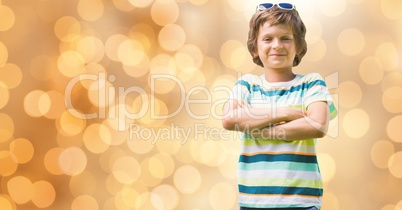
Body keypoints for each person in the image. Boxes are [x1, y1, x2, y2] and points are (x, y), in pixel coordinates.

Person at [222, 3, 337, 210]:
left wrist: (259, 127)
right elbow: (230, 118)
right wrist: (282, 112)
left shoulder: (311, 83)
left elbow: (318, 125)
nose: (277, 45)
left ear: (299, 46)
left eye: (285, 38)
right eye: (267, 39)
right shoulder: (247, 84)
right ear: (254, 48)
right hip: (253, 201)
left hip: (301, 202)